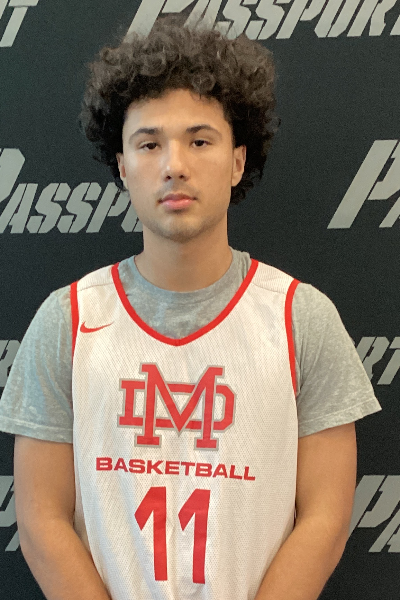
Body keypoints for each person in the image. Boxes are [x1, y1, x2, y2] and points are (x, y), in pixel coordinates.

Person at [0, 16, 381, 600]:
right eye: (149, 143)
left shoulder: (301, 318)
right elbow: (41, 519)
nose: (174, 164)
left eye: (200, 141)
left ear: (237, 161)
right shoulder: (68, 320)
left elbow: (324, 519)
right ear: (122, 165)